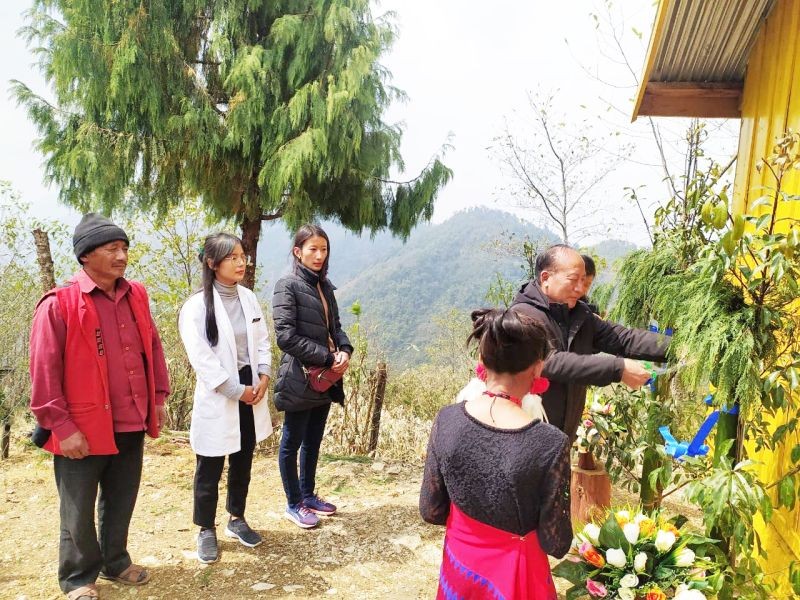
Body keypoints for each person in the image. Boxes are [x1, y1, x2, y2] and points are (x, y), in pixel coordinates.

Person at [29, 213, 170, 600]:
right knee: (77, 507)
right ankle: (77, 578)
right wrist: (61, 427)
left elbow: (153, 347)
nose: (122, 256)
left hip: (131, 419)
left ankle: (115, 561)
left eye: (124, 248)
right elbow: (44, 372)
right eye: (112, 249)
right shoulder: (59, 305)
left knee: (122, 496)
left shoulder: (135, 294)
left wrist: (157, 399)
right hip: (82, 427)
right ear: (86, 255)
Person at [420, 308, 571, 600]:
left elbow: (431, 510)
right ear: (538, 368)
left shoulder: (447, 419)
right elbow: (556, 541)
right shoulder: (551, 443)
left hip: (461, 567)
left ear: (481, 360)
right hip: (516, 574)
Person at [178, 233, 273, 563]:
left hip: (251, 387)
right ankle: (206, 527)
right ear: (211, 263)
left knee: (243, 458)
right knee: (210, 463)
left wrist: (263, 376)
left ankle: (237, 517)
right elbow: (202, 359)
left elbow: (261, 341)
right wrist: (236, 390)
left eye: (242, 255)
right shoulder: (195, 308)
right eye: (232, 257)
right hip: (221, 392)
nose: (240, 261)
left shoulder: (248, 299)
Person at [511, 244, 669, 440]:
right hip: (523, 439)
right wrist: (617, 368)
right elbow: (548, 361)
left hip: (561, 439)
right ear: (545, 278)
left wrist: (680, 347)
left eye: (584, 281)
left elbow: (625, 339)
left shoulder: (580, 316)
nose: (580, 289)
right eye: (573, 280)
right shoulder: (522, 315)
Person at [272, 224, 353, 529]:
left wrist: (344, 349)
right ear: (298, 252)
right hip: (300, 377)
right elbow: (285, 337)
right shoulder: (287, 285)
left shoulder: (325, 286)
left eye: (324, 249)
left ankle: (308, 495)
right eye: (312, 249)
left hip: (325, 378)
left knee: (314, 440)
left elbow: (336, 327)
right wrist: (327, 356)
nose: (319, 255)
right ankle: (293, 503)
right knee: (292, 442)